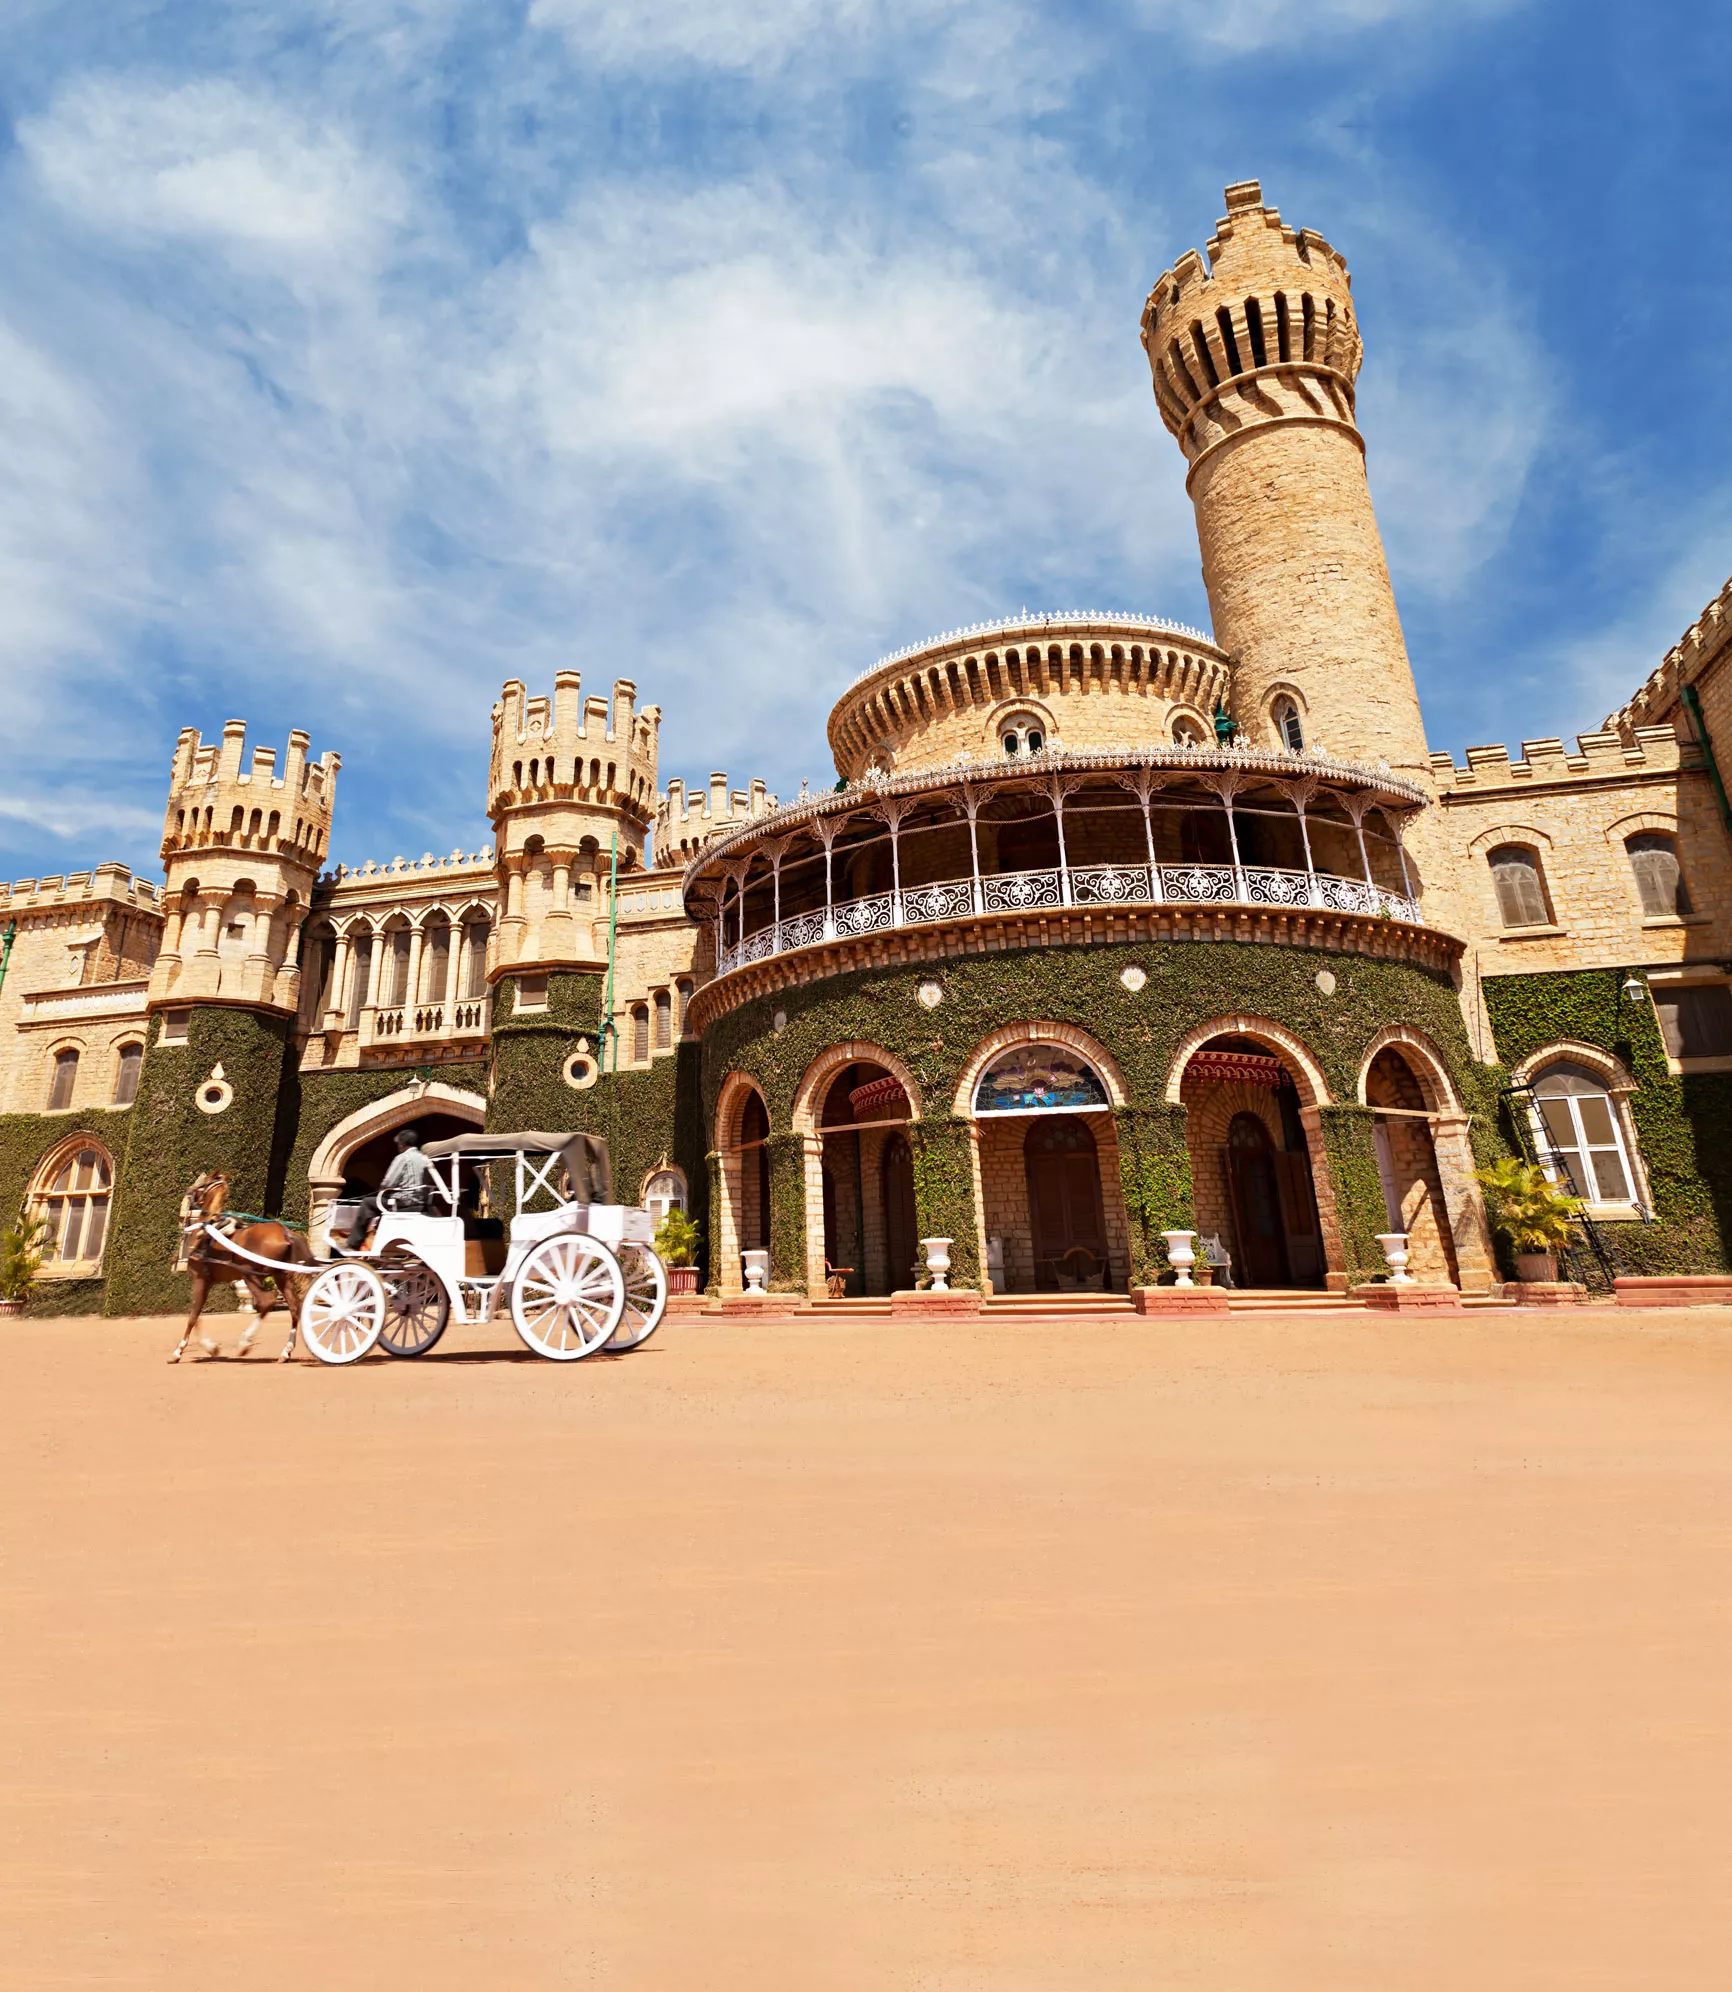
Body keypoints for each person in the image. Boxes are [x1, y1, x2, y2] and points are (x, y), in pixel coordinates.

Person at [343, 1126, 436, 1250]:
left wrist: (383, 1190)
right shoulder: (424, 1158)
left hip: (403, 1202)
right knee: (379, 1203)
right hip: (421, 1202)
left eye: (398, 1143)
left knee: (367, 1203)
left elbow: (388, 1182)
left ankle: (353, 1243)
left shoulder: (402, 1158)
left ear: (402, 1144)